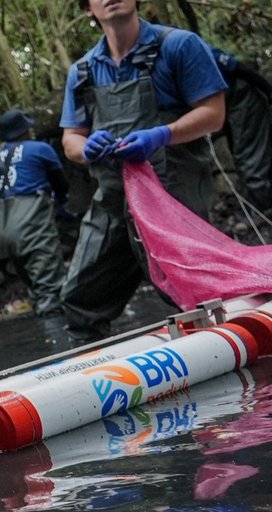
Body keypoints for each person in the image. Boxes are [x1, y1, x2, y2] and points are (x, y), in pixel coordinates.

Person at [58, 0, 227, 342]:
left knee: (195, 294)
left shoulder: (179, 46)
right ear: (87, 9)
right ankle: (90, 376)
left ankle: (223, 355)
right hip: (112, 202)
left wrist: (162, 134)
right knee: (79, 300)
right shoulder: (82, 70)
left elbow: (213, 112)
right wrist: (87, 150)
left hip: (173, 198)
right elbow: (70, 139)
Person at [0, 109, 71, 317]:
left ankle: (47, 338)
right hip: (32, 220)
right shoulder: (39, 149)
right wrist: (62, 204)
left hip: (6, 227)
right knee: (50, 291)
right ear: (25, 130)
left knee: (35, 288)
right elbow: (61, 184)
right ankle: (64, 345)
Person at [210, 47, 272, 212]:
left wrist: (268, 92)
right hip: (219, 104)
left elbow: (239, 68)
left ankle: (262, 206)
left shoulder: (186, 47)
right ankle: (252, 199)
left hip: (241, 96)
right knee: (237, 151)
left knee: (249, 152)